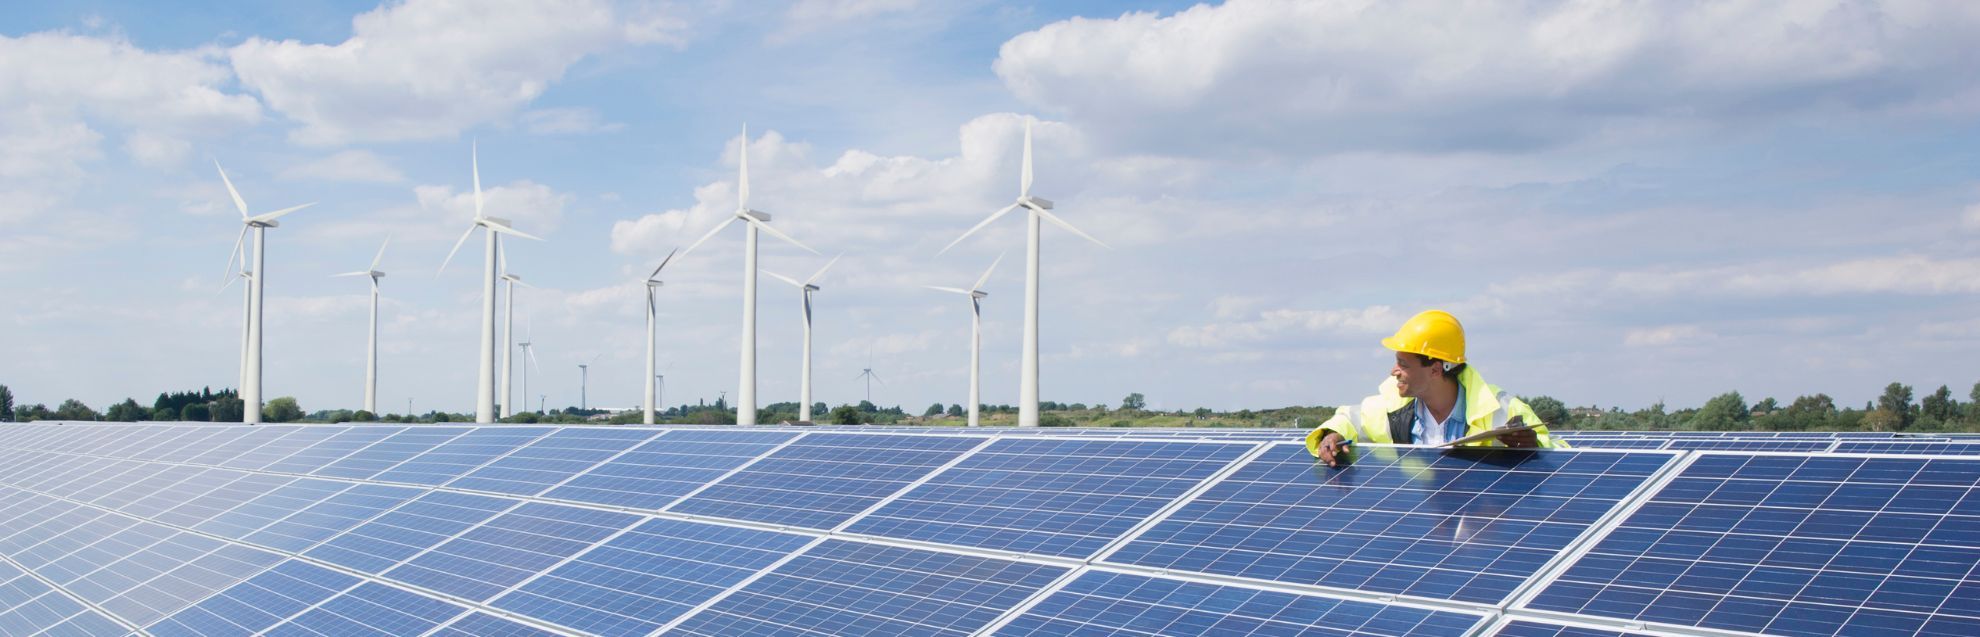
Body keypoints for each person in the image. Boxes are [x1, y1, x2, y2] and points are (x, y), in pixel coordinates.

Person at [1307, 309, 1566, 467]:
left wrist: (1535, 449)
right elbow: (1349, 419)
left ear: (1434, 368)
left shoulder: (1503, 409)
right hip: (1418, 527)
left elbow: (1562, 457)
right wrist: (1331, 435)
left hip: (1477, 529)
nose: (1393, 371)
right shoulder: (1391, 406)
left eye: (1402, 364)